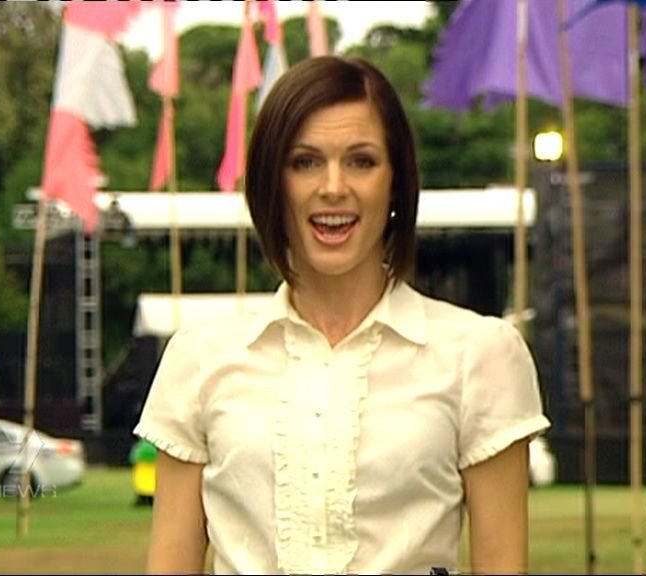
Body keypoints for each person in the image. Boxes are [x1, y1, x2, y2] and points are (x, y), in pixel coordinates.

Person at [135, 55, 550, 575]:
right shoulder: (198, 359)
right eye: (305, 162)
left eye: (361, 161)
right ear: (272, 183)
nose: (333, 187)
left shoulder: (480, 355)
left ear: (396, 182)